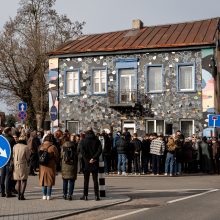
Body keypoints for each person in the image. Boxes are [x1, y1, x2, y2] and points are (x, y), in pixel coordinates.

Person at [79, 127, 102, 201]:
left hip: (86, 162)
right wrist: (93, 158)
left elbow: (82, 151)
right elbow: (100, 150)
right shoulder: (97, 140)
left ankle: (85, 195)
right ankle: (96, 196)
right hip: (94, 162)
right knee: (95, 180)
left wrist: (88, 159)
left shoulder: (83, 140)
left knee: (86, 180)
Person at [39, 134, 59, 200]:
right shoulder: (53, 147)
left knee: (43, 180)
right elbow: (57, 156)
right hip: (50, 165)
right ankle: (49, 195)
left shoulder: (41, 146)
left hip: (42, 165)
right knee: (49, 180)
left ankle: (44, 195)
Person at [13, 135, 31, 200]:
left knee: (18, 181)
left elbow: (13, 155)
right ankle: (22, 195)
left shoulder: (15, 146)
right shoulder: (26, 147)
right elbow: (28, 157)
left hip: (15, 165)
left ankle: (18, 195)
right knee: (24, 180)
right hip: (23, 165)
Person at [1, 127, 16, 197]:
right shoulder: (11, 139)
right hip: (9, 160)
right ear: (9, 131)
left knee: (2, 176)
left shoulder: (2, 138)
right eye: (11, 131)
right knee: (8, 176)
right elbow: (14, 150)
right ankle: (8, 193)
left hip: (2, 159)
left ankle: (2, 192)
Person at [61, 136, 78, 200]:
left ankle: (64, 194)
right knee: (71, 181)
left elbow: (61, 156)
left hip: (65, 166)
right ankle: (70, 195)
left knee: (65, 181)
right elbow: (76, 155)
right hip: (72, 166)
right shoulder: (73, 146)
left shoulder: (63, 147)